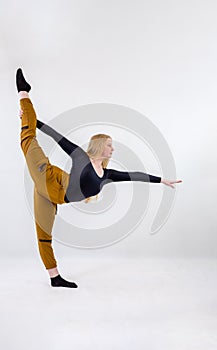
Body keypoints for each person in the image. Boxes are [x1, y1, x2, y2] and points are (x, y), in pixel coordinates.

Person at [16, 68, 182, 288]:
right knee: (28, 139)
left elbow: (134, 176)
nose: (112, 149)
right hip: (47, 176)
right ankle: (23, 93)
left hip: (50, 197)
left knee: (44, 237)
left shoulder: (108, 175)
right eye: (109, 145)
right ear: (100, 147)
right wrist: (33, 121)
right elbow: (57, 137)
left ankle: (55, 278)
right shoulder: (80, 157)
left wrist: (161, 180)